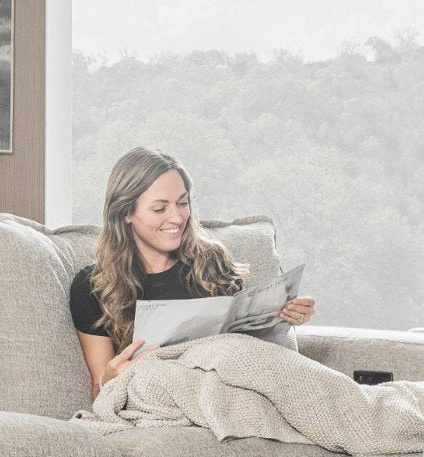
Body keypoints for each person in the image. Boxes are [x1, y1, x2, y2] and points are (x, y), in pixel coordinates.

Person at [70, 147, 317, 397]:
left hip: (226, 389)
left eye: (182, 203)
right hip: (160, 396)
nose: (177, 218)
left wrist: (284, 315)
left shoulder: (211, 263)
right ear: (125, 213)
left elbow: (247, 351)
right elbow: (100, 391)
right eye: (160, 208)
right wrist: (110, 380)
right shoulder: (94, 286)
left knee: (310, 382)